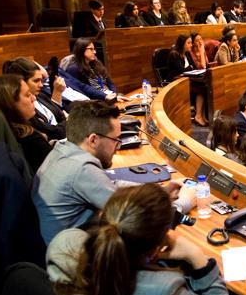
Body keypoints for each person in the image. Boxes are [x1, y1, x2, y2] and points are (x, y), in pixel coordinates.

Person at [47, 183, 235, 295]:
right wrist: (195, 255)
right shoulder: (161, 292)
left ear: (104, 213)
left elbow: (129, 225)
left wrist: (154, 205)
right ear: (155, 250)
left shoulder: (63, 244)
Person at [32, 99, 195, 244]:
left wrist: (160, 192)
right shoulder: (81, 169)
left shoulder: (62, 151)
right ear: (94, 140)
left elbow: (112, 185)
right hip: (79, 263)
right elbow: (134, 217)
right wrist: (183, 204)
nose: (118, 145)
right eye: (116, 139)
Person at [0, 74, 50, 173]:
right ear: (9, 105)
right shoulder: (30, 140)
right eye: (27, 95)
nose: (34, 98)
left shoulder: (26, 126)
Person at [2, 57, 66, 141]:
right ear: (21, 82)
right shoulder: (24, 108)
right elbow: (55, 133)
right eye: (36, 81)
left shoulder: (40, 95)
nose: (41, 85)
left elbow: (60, 115)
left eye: (41, 80)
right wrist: (69, 121)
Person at [166, 34, 207, 126]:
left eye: (191, 43)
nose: (191, 45)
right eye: (188, 43)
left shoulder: (187, 53)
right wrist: (189, 68)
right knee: (201, 88)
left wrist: (189, 68)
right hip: (175, 81)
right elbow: (181, 71)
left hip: (187, 79)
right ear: (182, 44)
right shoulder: (174, 55)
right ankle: (198, 116)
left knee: (205, 85)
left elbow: (194, 68)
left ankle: (201, 115)